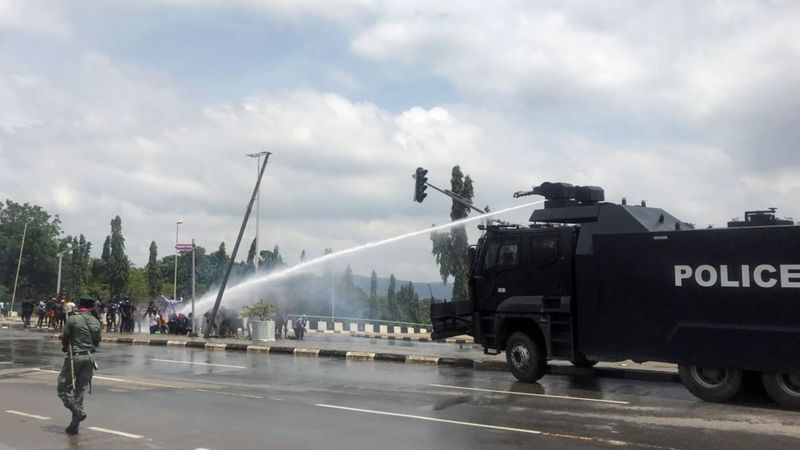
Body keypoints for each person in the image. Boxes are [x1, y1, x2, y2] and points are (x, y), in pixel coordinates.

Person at [57, 295, 101, 435]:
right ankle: (74, 425)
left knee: (63, 388)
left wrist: (65, 347)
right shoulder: (95, 321)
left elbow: (65, 338)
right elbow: (97, 341)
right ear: (92, 306)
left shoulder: (73, 319)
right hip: (90, 358)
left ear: (79, 305)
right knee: (80, 391)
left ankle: (77, 412)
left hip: (75, 357)